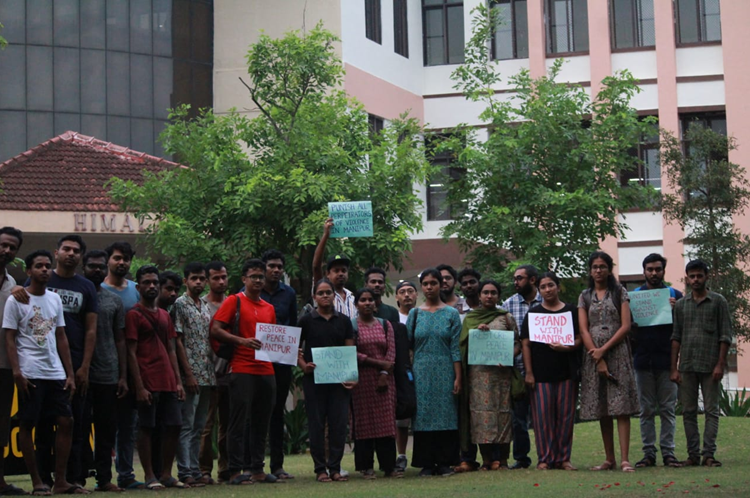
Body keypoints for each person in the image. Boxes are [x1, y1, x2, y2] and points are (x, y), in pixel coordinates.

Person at [13, 235, 98, 488]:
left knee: (73, 422)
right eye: (66, 249)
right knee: (40, 426)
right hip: (37, 363)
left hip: (71, 365)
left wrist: (82, 367)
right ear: (56, 253)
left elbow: (91, 330)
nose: (71, 253)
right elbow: (20, 311)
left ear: (80, 256)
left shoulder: (86, 287)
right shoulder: (38, 280)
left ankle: (71, 479)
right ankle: (42, 479)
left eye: (76, 250)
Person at [3, 250, 79, 495]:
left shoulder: (55, 299)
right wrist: (17, 371)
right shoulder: (16, 300)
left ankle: (60, 481)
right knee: (27, 424)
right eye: (39, 266)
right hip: (30, 371)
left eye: (47, 265)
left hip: (55, 372)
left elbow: (61, 336)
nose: (45, 270)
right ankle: (37, 481)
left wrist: (70, 373)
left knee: (66, 421)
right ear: (28, 271)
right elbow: (10, 338)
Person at [210, 259, 277, 485]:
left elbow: (274, 341)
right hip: (241, 368)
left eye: (261, 277)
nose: (258, 280)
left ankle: (257, 469)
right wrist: (242, 341)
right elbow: (216, 330)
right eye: (254, 277)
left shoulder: (270, 308)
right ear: (244, 279)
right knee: (238, 421)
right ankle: (235, 470)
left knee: (261, 421)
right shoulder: (234, 301)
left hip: (266, 369)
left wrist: (289, 350)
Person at [578, 251, 639, 472]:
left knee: (620, 407)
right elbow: (583, 329)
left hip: (618, 353)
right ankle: (609, 458)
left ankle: (624, 459)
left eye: (602, 266)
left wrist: (604, 349)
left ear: (609, 268)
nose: (598, 270)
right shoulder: (585, 296)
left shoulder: (619, 292)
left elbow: (625, 326)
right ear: (590, 270)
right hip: (593, 356)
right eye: (594, 266)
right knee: (603, 406)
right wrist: (596, 354)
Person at [126, 266, 185, 490]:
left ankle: (167, 474)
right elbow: (131, 351)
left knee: (175, 425)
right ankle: (150, 475)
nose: (151, 286)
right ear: (138, 286)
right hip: (147, 379)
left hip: (167, 379)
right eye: (147, 282)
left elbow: (172, 348)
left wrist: (178, 380)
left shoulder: (164, 315)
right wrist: (139, 386)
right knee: (147, 427)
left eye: (154, 282)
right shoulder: (133, 314)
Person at [671, 259, 733, 468]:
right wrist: (674, 367)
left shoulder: (718, 302)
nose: (695, 279)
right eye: (692, 276)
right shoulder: (680, 305)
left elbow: (725, 335)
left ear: (707, 277)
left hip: (710, 365)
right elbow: (676, 337)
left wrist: (720, 364)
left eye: (699, 275)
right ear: (687, 278)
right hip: (687, 365)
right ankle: (692, 455)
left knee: (711, 410)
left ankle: (708, 455)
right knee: (688, 411)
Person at [521, 272, 581, 470]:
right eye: (543, 287)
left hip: (566, 372)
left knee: (565, 417)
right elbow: (526, 344)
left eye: (551, 285)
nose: (548, 290)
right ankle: (545, 458)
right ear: (539, 290)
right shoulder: (533, 314)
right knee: (542, 418)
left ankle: (564, 458)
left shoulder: (572, 311)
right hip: (540, 374)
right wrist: (529, 372)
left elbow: (581, 337)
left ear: (558, 286)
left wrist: (568, 347)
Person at [298, 279, 356, 482]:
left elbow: (349, 350)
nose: (324, 296)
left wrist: (351, 377)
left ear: (334, 295)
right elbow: (295, 349)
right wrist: (304, 366)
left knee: (339, 425)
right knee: (316, 424)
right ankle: (320, 469)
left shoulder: (344, 321)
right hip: (314, 380)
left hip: (339, 382)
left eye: (328, 293)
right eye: (320, 293)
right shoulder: (306, 320)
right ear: (314, 297)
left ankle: (335, 468)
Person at [459, 280, 519, 472]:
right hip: (478, 376)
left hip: (501, 375)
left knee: (503, 415)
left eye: (493, 292)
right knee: (480, 415)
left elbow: (517, 343)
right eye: (485, 292)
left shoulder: (506, 317)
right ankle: (486, 460)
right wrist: (478, 333)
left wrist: (509, 356)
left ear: (499, 296)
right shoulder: (471, 319)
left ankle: (501, 460)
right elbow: (463, 345)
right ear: (479, 295)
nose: (489, 296)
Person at [407, 268, 462, 477]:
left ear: (441, 285)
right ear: (422, 287)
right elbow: (409, 346)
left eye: (433, 283)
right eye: (426, 284)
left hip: (446, 369)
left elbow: (455, 347)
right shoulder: (415, 313)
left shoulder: (451, 313)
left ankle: (446, 462)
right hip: (420, 371)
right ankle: (426, 463)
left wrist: (458, 377)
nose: (429, 287)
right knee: (423, 415)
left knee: (446, 414)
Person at [82, 250, 128, 492]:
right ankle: (76, 478)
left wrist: (122, 375)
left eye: (101, 266)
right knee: (79, 426)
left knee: (106, 429)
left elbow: (120, 339)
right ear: (84, 268)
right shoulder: (76, 296)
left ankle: (104, 478)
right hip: (80, 372)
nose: (97, 270)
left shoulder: (114, 301)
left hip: (108, 373)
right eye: (92, 266)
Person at [632, 254, 683, 469]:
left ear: (664, 271)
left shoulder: (675, 295)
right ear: (644, 271)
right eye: (650, 269)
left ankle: (669, 452)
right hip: (642, 361)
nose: (654, 273)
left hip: (667, 362)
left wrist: (675, 310)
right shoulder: (633, 297)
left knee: (668, 409)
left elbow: (683, 329)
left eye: (658, 269)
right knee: (645, 410)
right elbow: (628, 330)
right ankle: (648, 453)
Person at [101, 242, 142, 490]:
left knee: (128, 424)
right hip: (104, 365)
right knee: (105, 425)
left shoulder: (138, 290)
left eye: (126, 259)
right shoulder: (96, 289)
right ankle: (101, 475)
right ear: (109, 260)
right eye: (117, 258)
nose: (122, 263)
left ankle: (126, 474)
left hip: (133, 365)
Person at [172, 263, 215, 487]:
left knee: (200, 425)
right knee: (187, 424)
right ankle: (185, 471)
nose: (198, 282)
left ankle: (196, 469)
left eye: (201, 278)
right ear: (185, 281)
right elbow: (177, 338)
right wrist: (187, 373)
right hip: (189, 372)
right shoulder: (180, 304)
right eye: (193, 278)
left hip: (207, 372)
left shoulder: (206, 306)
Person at [351, 288, 399, 479]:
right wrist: (377, 363)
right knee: (364, 423)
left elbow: (391, 351)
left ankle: (389, 466)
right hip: (361, 381)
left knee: (386, 424)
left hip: (385, 380)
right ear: (356, 304)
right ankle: (366, 467)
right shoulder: (352, 326)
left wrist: (384, 372)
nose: (368, 303)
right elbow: (351, 352)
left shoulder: (385, 325)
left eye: (371, 300)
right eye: (363, 300)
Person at [259, 250, 297, 480]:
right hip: (257, 361)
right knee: (255, 412)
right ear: (263, 268)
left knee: (277, 412)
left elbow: (292, 325)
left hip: (281, 361)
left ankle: (277, 466)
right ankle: (253, 465)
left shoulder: (289, 293)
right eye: (271, 266)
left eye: (279, 266)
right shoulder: (250, 292)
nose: (275, 270)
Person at [501, 264, 542, 470]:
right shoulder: (508, 305)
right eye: (515, 279)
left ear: (533, 280)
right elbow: (506, 337)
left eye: (520, 278)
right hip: (517, 369)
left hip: (545, 368)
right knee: (518, 419)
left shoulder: (546, 301)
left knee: (543, 417)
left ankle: (546, 455)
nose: (515, 282)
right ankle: (521, 458)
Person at [198, 261, 229, 484]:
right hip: (205, 373)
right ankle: (203, 469)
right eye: (216, 278)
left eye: (224, 277)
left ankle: (226, 469)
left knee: (228, 425)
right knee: (205, 426)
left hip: (230, 372)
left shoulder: (234, 303)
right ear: (207, 281)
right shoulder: (199, 305)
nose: (221, 281)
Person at [0, 227, 24, 496]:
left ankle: (0, 482)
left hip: (4, 366)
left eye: (12, 248)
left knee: (2, 425)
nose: (6, 251)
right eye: (3, 245)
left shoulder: (14, 288)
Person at [394, 280, 417, 472]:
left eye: (411, 291)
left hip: (423, 368)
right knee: (402, 416)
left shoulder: (423, 315)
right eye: (403, 292)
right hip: (402, 370)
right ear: (397, 297)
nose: (407, 295)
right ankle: (401, 454)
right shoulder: (394, 319)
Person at [312, 218, 356, 317]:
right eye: (336, 271)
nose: (341, 273)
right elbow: (316, 267)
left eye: (343, 270)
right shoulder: (324, 293)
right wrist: (325, 235)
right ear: (327, 274)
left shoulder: (353, 297)